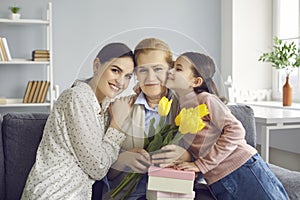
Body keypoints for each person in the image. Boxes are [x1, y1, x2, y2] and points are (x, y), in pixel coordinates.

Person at [153, 52, 289, 200]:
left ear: (196, 81)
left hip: (243, 169)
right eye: (172, 67)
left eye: (178, 69)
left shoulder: (206, 100)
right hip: (218, 180)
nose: (170, 71)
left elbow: (236, 131)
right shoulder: (179, 107)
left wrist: (202, 164)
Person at [21, 42, 135, 200]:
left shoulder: (106, 106)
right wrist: (116, 126)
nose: (121, 82)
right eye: (115, 70)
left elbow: (104, 156)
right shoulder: (76, 97)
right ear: (96, 65)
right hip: (53, 194)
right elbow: (98, 168)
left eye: (128, 76)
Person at [105, 38, 190, 200]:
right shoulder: (120, 108)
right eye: (143, 70)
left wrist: (185, 155)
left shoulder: (185, 107)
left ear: (170, 70)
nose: (150, 77)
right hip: (127, 194)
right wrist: (122, 160)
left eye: (158, 69)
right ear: (136, 74)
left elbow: (205, 157)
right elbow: (100, 168)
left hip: (171, 194)